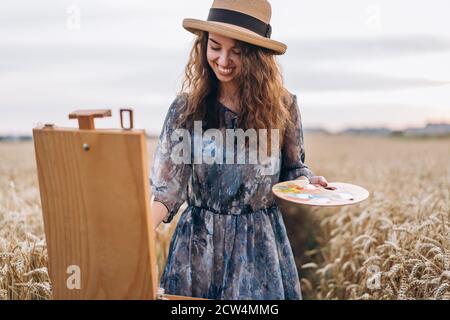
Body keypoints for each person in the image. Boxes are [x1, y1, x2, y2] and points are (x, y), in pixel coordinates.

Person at [150, 0, 330, 300]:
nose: (223, 60)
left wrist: (307, 182)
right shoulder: (185, 110)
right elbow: (167, 190)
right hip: (199, 248)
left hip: (259, 246)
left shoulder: (283, 107)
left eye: (238, 51)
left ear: (258, 56)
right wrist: (138, 233)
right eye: (215, 47)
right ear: (203, 46)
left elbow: (293, 167)